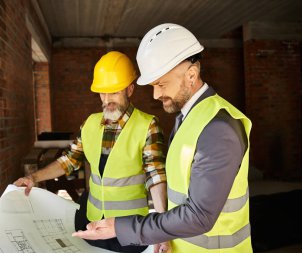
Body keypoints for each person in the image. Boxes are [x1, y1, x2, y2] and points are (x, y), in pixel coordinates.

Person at [73, 24, 253, 253]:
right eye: (153, 85)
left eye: (161, 84)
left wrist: (121, 227)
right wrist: (163, 235)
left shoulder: (218, 128)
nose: (156, 94)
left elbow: (199, 216)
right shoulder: (189, 118)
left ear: (191, 75)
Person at [14, 51, 170, 253]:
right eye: (102, 93)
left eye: (114, 92)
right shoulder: (89, 123)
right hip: (92, 220)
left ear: (130, 90)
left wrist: (161, 230)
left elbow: (156, 177)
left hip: (128, 228)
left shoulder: (148, 125)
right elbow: (69, 160)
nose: (107, 99)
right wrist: (33, 177)